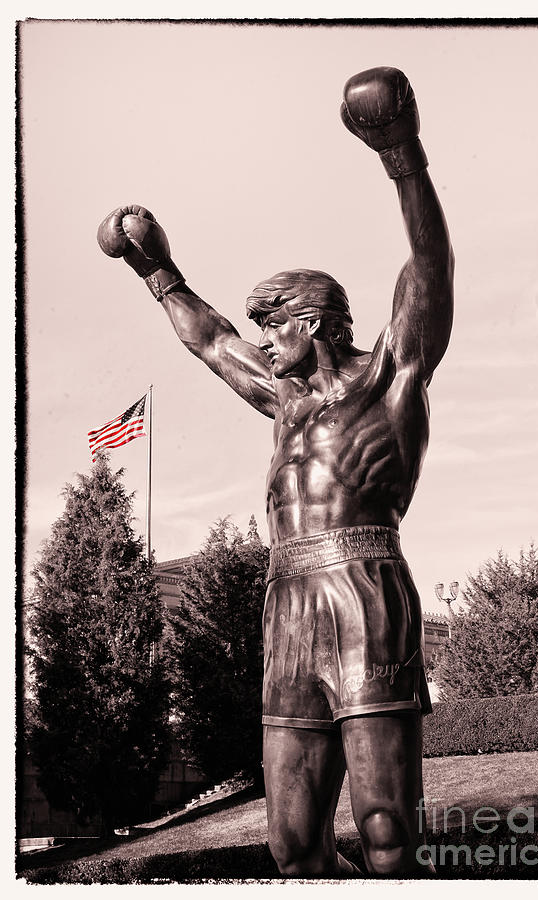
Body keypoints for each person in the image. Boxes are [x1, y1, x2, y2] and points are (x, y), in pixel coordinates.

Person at [97, 66, 454, 877]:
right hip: (285, 600)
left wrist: (402, 153)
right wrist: (155, 268)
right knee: (293, 845)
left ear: (314, 321)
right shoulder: (284, 402)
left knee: (388, 831)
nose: (260, 344)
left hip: (365, 584)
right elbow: (208, 339)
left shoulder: (389, 375)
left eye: (273, 328)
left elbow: (429, 268)